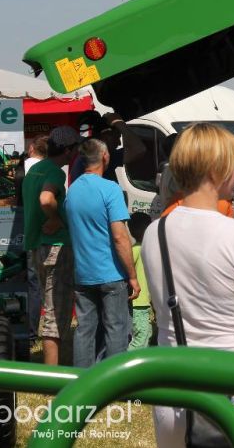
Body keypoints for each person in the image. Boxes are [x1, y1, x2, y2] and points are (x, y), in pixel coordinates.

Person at [141, 122, 234, 447]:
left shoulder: (155, 233)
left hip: (171, 389)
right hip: (231, 393)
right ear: (215, 171)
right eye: (233, 165)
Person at [65, 138, 140, 368]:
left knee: (85, 329)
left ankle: (83, 381)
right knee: (116, 328)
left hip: (83, 273)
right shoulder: (110, 189)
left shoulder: (72, 191)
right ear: (105, 157)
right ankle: (115, 381)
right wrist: (133, 276)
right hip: (111, 273)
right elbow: (119, 237)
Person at [22, 126, 80, 365]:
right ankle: (52, 372)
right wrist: (56, 219)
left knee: (48, 303)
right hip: (55, 246)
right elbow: (46, 199)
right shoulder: (54, 173)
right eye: (75, 149)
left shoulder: (35, 169)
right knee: (57, 307)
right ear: (67, 151)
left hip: (36, 245)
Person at [17, 134, 48, 343]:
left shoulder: (23, 166)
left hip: (21, 226)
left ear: (30, 148)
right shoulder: (47, 169)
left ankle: (28, 331)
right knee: (38, 282)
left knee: (30, 281)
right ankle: (32, 332)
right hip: (42, 230)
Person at [70, 110, 146, 183]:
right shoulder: (96, 157)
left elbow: (138, 149)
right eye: (117, 137)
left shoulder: (91, 154)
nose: (119, 143)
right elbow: (139, 149)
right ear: (105, 136)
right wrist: (119, 123)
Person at [128, 212, 153, 350]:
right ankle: (128, 364)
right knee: (141, 337)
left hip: (143, 303)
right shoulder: (137, 249)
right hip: (139, 303)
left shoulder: (141, 248)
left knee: (146, 334)